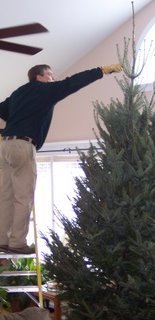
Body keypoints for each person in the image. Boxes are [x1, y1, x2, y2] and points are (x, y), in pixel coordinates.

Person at [0, 63, 123, 254]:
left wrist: (14, 125)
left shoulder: (18, 92)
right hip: (23, 146)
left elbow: (3, 110)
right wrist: (100, 70)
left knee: (5, 196)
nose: (53, 78)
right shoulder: (45, 90)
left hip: (5, 146)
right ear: (39, 77)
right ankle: (16, 242)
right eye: (50, 74)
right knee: (23, 197)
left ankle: (2, 239)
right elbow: (72, 83)